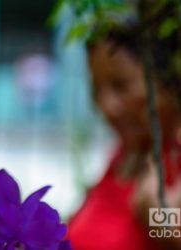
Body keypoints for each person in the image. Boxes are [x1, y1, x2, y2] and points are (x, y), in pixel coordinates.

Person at [67, 26, 181, 249]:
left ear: (170, 83)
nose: (105, 106)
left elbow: (171, 225)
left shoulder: (173, 162)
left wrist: (157, 216)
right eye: (95, 88)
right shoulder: (126, 156)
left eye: (121, 85)